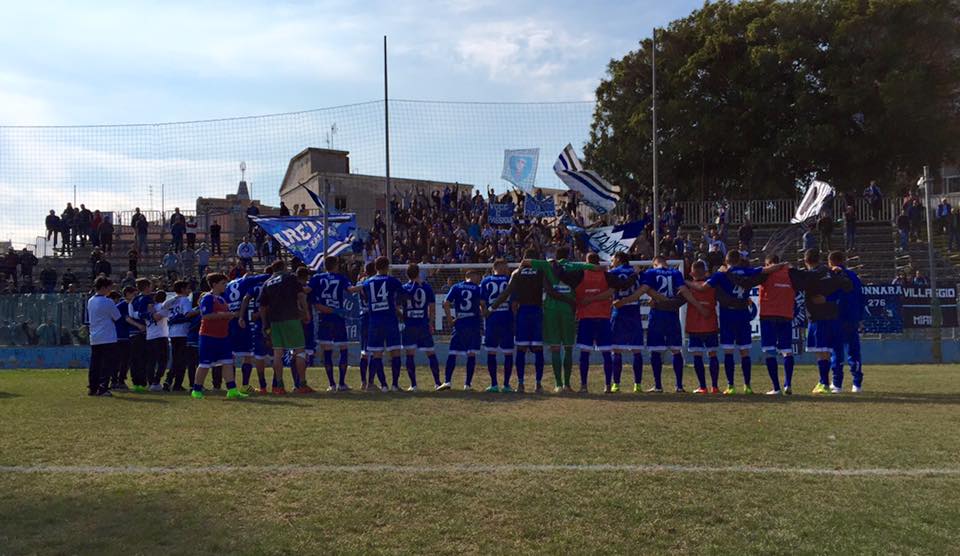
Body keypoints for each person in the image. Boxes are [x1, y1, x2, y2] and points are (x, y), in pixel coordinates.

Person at [623, 256, 705, 392]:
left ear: (654, 263)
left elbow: (643, 290)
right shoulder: (675, 273)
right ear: (665, 262)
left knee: (655, 350)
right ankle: (679, 386)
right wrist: (698, 306)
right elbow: (685, 291)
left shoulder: (651, 272)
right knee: (676, 350)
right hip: (672, 314)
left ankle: (658, 386)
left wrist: (625, 301)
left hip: (657, 314)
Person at [687, 250, 761, 394]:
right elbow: (764, 270)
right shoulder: (747, 272)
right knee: (744, 351)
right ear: (739, 260)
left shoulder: (719, 276)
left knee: (728, 351)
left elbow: (702, 288)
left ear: (726, 261)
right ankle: (747, 386)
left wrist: (684, 281)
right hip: (742, 314)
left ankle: (730, 386)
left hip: (727, 315)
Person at [527, 246, 593, 392]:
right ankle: (567, 384)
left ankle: (558, 384)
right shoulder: (574, 266)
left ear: (556, 255)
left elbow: (548, 289)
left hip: (551, 309)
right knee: (568, 348)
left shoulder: (548, 266)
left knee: (555, 348)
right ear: (568, 255)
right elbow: (593, 267)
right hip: (567, 310)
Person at [790, 249, 852, 394]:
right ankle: (826, 381)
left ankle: (824, 382)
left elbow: (797, 280)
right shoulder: (830, 272)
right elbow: (847, 286)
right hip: (832, 316)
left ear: (806, 261)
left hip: (818, 317)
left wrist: (789, 268)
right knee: (828, 350)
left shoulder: (811, 275)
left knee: (820, 350)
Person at [487, 248, 547, 393]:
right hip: (537, 311)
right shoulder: (541, 272)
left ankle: (520, 384)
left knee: (521, 349)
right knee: (538, 349)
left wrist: (491, 308)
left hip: (523, 313)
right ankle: (538, 384)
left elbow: (506, 293)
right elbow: (549, 290)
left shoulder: (517, 273)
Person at [192, 273, 248, 400]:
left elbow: (223, 315)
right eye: (223, 283)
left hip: (223, 336)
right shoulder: (208, 298)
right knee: (204, 364)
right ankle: (196, 390)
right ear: (214, 284)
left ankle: (232, 390)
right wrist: (225, 315)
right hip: (208, 336)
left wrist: (231, 316)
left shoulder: (222, 299)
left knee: (228, 362)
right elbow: (206, 316)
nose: (225, 286)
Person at [258, 262, 311, 394]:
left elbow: (262, 307)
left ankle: (279, 385)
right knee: (300, 351)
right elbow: (300, 295)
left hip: (275, 321)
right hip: (292, 318)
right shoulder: (290, 278)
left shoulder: (267, 283)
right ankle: (302, 384)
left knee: (278, 354)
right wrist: (306, 312)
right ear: (284, 268)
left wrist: (264, 324)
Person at [357, 256, 406, 392]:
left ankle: (383, 385)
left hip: (374, 322)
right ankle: (395, 385)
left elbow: (364, 295)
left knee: (377, 354)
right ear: (387, 267)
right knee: (395, 352)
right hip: (390, 320)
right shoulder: (393, 281)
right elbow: (402, 294)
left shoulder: (367, 282)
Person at [307, 257, 354, 392]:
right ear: (336, 265)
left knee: (327, 350)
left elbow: (309, 292)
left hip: (324, 318)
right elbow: (351, 289)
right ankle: (342, 383)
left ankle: (332, 384)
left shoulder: (317, 278)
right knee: (343, 348)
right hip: (338, 318)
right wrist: (365, 284)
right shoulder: (341, 278)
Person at [226, 269, 270, 394]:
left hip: (230, 319)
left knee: (231, 355)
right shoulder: (246, 281)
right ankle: (245, 385)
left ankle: (232, 386)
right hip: (243, 320)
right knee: (248, 355)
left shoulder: (228, 285)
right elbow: (267, 276)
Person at [439, 269, 483, 391]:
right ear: (472, 276)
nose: (479, 279)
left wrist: (450, 320)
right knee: (471, 354)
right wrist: (483, 312)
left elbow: (446, 303)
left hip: (460, 325)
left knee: (453, 353)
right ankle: (467, 384)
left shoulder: (456, 287)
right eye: (478, 277)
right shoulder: (478, 288)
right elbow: (482, 303)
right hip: (473, 325)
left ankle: (447, 381)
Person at [399, 263, 439, 391]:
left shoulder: (404, 288)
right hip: (423, 324)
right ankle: (437, 383)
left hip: (410, 325)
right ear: (418, 273)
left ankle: (413, 385)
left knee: (410, 355)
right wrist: (430, 322)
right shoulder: (426, 287)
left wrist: (403, 316)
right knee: (431, 353)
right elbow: (432, 308)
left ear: (407, 274)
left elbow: (396, 306)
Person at [829, 251, 865, 393]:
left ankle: (837, 383)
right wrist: (860, 317)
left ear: (831, 262)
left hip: (837, 317)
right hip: (852, 318)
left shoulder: (832, 276)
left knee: (837, 351)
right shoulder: (854, 276)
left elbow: (830, 297)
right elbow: (861, 297)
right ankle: (857, 384)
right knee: (854, 351)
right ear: (844, 260)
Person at [685, 260, 720, 393]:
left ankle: (703, 386)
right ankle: (714, 386)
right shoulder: (712, 285)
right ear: (705, 272)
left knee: (697, 356)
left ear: (692, 273)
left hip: (694, 325)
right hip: (710, 324)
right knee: (712, 354)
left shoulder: (688, 287)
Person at [479, 259, 513, 392]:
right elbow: (514, 302)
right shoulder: (509, 280)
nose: (507, 269)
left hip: (492, 320)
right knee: (508, 352)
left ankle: (494, 384)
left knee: (491, 351)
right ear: (499, 267)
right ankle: (506, 385)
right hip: (506, 319)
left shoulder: (486, 281)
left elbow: (482, 302)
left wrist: (485, 313)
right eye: (506, 267)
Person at [87, 277, 121, 396]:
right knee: (106, 364)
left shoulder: (90, 300)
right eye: (108, 288)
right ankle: (103, 388)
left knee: (95, 364)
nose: (110, 290)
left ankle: (93, 387)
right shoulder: (108, 301)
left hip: (95, 336)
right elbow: (117, 317)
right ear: (103, 287)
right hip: (107, 336)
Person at [162, 280, 196, 392]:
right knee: (181, 360)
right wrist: (200, 310)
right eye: (187, 288)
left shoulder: (171, 300)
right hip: (182, 332)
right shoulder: (185, 300)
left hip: (172, 332)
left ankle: (172, 382)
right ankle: (173, 383)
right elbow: (187, 314)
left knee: (176, 359)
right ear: (182, 289)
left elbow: (164, 307)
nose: (189, 290)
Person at [126, 278, 153, 393]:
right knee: (144, 358)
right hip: (143, 332)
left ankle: (136, 382)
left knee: (135, 359)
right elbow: (144, 314)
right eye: (150, 286)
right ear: (146, 287)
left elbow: (131, 314)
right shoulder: (147, 299)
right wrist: (150, 315)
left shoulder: (134, 299)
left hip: (133, 332)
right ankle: (142, 382)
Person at [111, 287, 136, 390]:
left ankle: (120, 380)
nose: (135, 296)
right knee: (119, 360)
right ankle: (115, 381)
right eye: (133, 294)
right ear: (127, 294)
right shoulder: (122, 305)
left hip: (127, 336)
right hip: (120, 336)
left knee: (126, 360)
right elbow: (125, 318)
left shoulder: (131, 305)